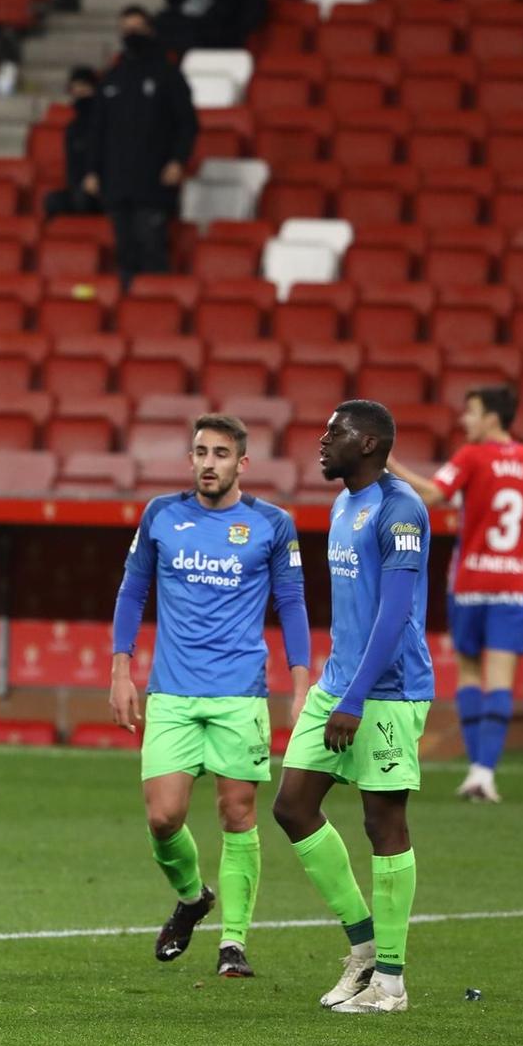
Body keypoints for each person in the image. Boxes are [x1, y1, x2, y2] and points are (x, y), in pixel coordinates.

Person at [109, 415, 311, 978]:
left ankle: (234, 943)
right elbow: (133, 590)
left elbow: (291, 603)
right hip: (171, 692)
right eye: (200, 451)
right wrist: (120, 670)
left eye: (221, 453)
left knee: (237, 812)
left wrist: (300, 682)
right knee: (163, 817)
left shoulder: (272, 524)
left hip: (240, 695)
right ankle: (195, 897)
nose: (208, 462)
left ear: (242, 463)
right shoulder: (161, 516)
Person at [273, 400, 432, 1015]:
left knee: (382, 824)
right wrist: (335, 690)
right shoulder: (344, 503)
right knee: (292, 807)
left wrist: (357, 698)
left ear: (368, 443)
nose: (322, 440)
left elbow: (395, 615)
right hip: (336, 685)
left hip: (386, 693)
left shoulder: (400, 510)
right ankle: (364, 949)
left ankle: (390, 983)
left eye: (334, 432)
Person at [387, 385, 523, 803]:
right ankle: (485, 772)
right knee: (501, 681)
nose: (465, 421)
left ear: (491, 418)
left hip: (469, 586)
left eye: (471, 412)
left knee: (468, 674)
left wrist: (392, 464)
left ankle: (474, 772)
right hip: (513, 587)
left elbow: (433, 494)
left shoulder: (471, 456)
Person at [84, 5, 199, 290]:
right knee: (125, 251)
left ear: (150, 30)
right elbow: (96, 129)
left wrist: (177, 160)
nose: (132, 34)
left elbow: (188, 124)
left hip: (153, 180)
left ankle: (157, 312)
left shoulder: (168, 75)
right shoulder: (111, 78)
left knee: (152, 247)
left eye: (137, 28)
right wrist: (92, 170)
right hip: (117, 181)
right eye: (126, 29)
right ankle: (129, 312)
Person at [44, 67, 103, 218]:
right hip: (79, 188)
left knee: (83, 200)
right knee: (52, 200)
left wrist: (94, 177)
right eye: (76, 87)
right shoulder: (73, 127)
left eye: (84, 86)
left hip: (102, 189)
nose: (80, 91)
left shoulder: (105, 121)